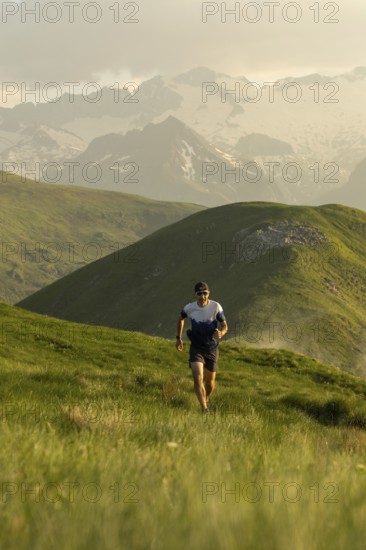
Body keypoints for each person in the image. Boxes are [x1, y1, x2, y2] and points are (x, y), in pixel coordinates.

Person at [175, 282, 228, 413]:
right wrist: (178, 338)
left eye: (205, 293)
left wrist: (221, 333)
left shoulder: (216, 306)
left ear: (208, 294)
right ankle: (204, 408)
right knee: (198, 377)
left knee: (210, 383)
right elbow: (180, 319)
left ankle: (206, 399)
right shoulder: (190, 308)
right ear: (195, 295)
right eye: (200, 294)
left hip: (212, 348)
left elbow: (225, 326)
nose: (202, 296)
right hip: (196, 348)